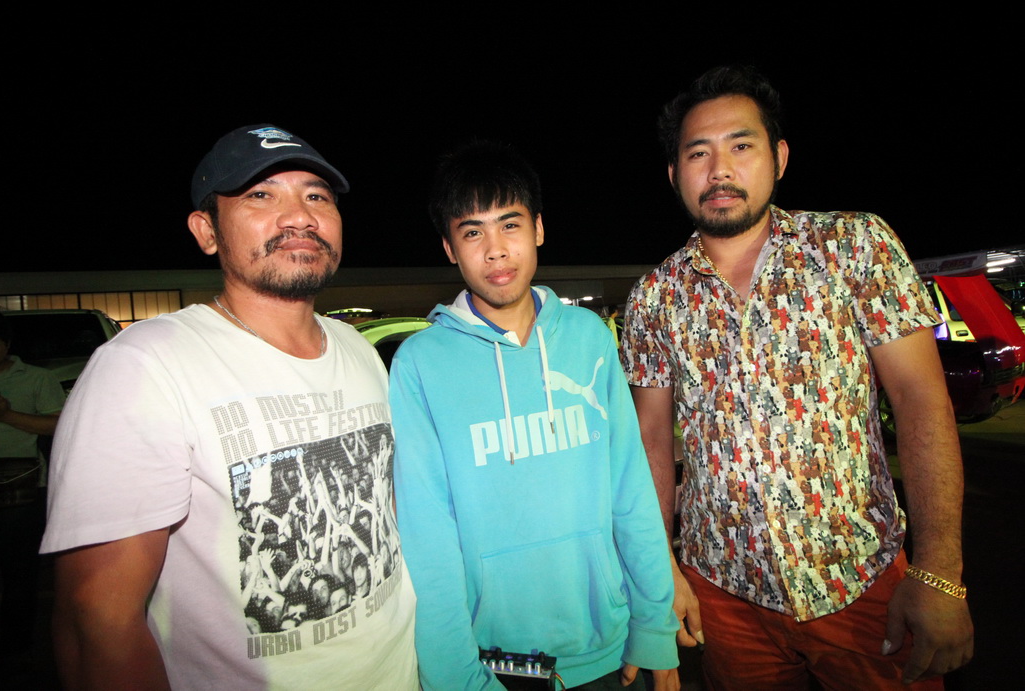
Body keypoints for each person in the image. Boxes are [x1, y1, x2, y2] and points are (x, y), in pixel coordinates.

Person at [622, 66, 974, 690]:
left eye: (741, 145)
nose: (719, 169)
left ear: (779, 157)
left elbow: (921, 400)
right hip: (724, 594)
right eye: (698, 153)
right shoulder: (654, 297)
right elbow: (651, 441)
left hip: (862, 580)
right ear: (674, 174)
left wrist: (940, 572)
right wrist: (663, 573)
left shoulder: (854, 245)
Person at [41, 124, 419, 690]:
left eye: (317, 196)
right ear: (206, 231)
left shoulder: (357, 350)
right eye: (261, 195)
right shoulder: (144, 366)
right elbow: (97, 622)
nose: (300, 216)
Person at [391, 141, 679, 690]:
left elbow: (631, 492)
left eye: (510, 224)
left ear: (539, 229)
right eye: (472, 232)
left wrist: (655, 626)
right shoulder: (420, 365)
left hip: (614, 650)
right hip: (495, 665)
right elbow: (427, 539)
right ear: (449, 248)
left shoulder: (590, 339)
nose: (496, 250)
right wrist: (455, 679)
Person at [0, 310, 64, 662]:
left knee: (18, 575)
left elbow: (58, 425)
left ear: (7, 345)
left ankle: (14, 651)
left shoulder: (36, 379)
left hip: (21, 488)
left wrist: (6, 416)